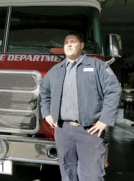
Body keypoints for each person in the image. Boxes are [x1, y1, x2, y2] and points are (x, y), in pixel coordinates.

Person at [39, 32, 122, 181]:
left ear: (82, 46)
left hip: (89, 131)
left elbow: (114, 90)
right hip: (62, 130)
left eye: (73, 41)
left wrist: (104, 120)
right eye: (66, 43)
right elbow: (43, 90)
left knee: (92, 175)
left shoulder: (97, 66)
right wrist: (47, 112)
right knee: (67, 171)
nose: (69, 45)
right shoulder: (56, 70)